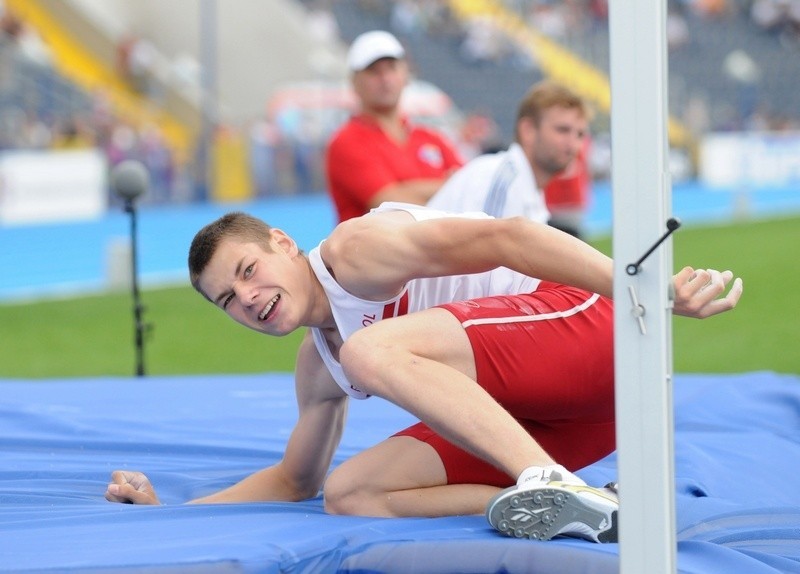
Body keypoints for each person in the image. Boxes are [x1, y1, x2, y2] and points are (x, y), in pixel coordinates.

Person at [106, 203, 742, 544]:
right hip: (570, 424)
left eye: (247, 272)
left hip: (586, 332)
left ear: (281, 242)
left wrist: (642, 289)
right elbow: (295, 480)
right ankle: (571, 505)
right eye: (227, 300)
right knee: (350, 493)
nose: (246, 299)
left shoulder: (355, 253)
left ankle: (546, 481)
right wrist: (174, 513)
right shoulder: (318, 363)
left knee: (370, 352)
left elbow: (512, 234)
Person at [325, 30, 463, 222]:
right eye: (373, 71)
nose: (385, 78)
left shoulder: (432, 137)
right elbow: (390, 205)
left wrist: (409, 189)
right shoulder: (346, 141)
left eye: (391, 68)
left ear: (405, 74)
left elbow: (469, 189)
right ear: (354, 82)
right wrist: (447, 186)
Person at [428, 80, 590, 234]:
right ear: (528, 130)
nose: (573, 144)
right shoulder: (505, 181)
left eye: (580, 134)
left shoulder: (523, 185)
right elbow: (485, 259)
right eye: (562, 130)